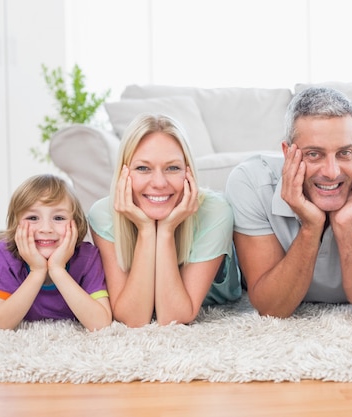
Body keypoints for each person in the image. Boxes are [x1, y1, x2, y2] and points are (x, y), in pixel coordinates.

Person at [225, 87, 352, 318]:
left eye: (344, 153)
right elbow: (272, 308)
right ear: (288, 153)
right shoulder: (249, 182)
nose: (332, 172)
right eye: (314, 154)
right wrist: (311, 227)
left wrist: (346, 227)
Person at [88, 113, 241, 328]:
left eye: (173, 168)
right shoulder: (104, 214)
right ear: (124, 173)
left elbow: (175, 316)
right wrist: (146, 230)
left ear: (188, 171)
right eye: (143, 168)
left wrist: (167, 230)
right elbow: (134, 318)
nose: (159, 183)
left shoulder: (214, 211)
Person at [0, 174, 112, 331]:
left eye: (58, 218)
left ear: (76, 224)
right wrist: (37, 271)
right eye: (33, 217)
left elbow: (101, 323)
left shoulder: (88, 257)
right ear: (16, 224)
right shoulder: (4, 254)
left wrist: (58, 269)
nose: (46, 229)